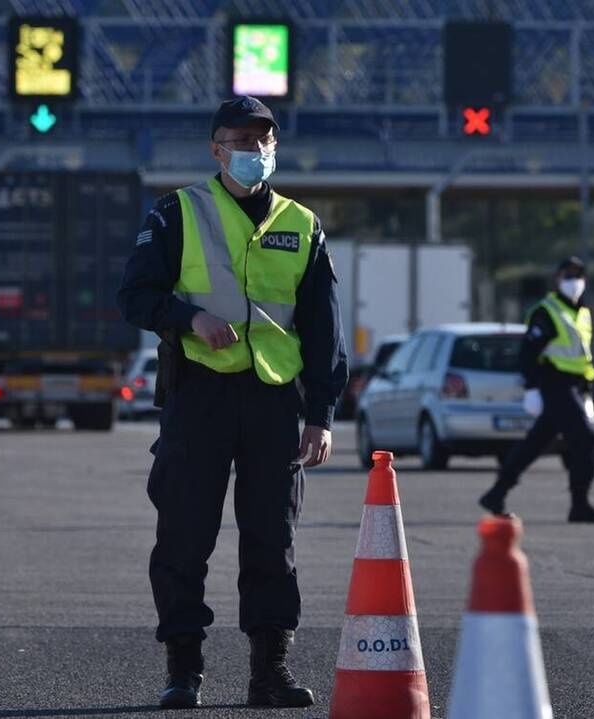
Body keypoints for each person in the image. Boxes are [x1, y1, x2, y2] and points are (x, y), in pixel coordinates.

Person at [117, 96, 348, 710]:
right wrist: (189, 318)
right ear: (216, 148)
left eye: (263, 140)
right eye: (242, 141)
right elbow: (135, 295)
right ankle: (183, 669)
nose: (255, 151)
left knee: (273, 538)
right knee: (185, 535)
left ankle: (269, 672)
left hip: (274, 398)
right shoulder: (178, 213)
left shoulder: (302, 224)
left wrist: (322, 416)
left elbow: (325, 330)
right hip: (200, 394)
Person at [479, 257, 594, 524]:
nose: (574, 281)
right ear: (557, 279)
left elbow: (579, 355)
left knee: (535, 444)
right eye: (568, 276)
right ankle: (580, 504)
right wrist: (531, 388)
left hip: (575, 386)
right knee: (585, 440)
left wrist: (586, 387)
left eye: (578, 275)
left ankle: (496, 492)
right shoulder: (547, 311)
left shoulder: (581, 312)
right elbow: (528, 353)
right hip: (555, 385)